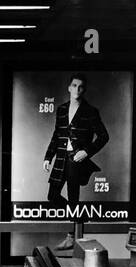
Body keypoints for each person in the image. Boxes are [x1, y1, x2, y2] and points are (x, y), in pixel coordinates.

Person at [43, 76, 109, 250]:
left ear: (84, 90)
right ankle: (78, 218)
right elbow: (57, 136)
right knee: (53, 196)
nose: (77, 89)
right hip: (61, 158)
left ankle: (71, 237)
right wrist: (48, 157)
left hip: (76, 160)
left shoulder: (90, 111)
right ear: (69, 88)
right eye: (74, 85)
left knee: (73, 198)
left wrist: (86, 152)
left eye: (81, 87)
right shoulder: (62, 109)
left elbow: (103, 136)